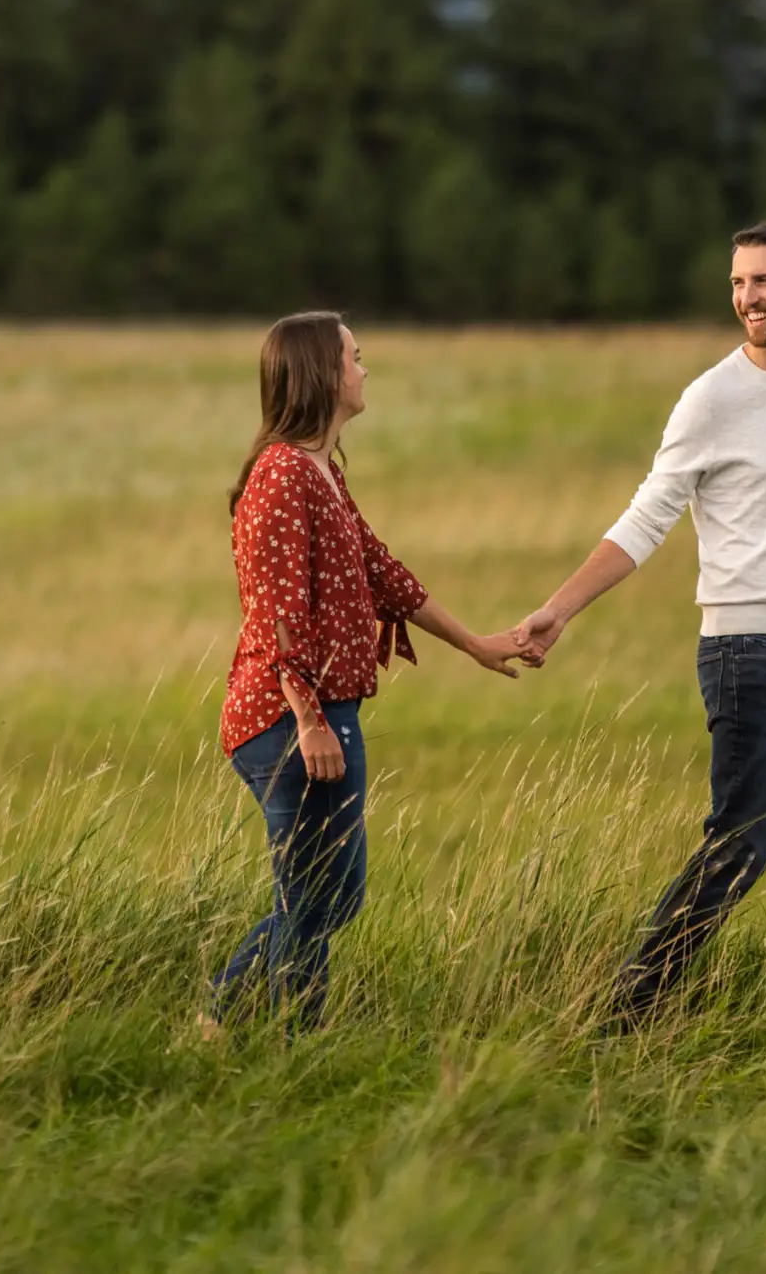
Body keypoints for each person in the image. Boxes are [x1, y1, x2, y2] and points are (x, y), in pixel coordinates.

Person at [512, 222, 766, 1025]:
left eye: (764, 282)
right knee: (741, 847)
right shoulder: (711, 399)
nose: (748, 299)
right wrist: (558, 608)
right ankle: (626, 1012)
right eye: (739, 283)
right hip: (746, 657)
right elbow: (646, 517)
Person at [204, 311, 526, 1033]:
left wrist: (474, 641)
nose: (365, 368)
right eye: (356, 355)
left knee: (322, 896)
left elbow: (387, 575)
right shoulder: (283, 474)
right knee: (320, 899)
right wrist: (311, 718)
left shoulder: (320, 469)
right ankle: (222, 1018)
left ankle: (295, 1040)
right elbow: (277, 609)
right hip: (291, 720)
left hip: (322, 710)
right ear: (324, 371)